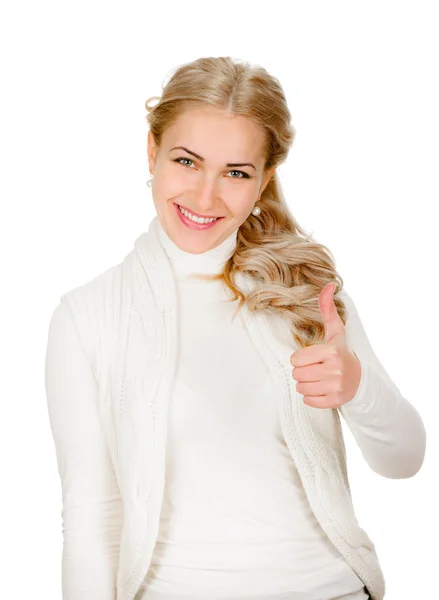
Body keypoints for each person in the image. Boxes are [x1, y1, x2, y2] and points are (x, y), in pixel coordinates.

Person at [45, 56, 426, 600]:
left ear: (264, 179)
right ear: (152, 151)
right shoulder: (87, 317)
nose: (205, 197)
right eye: (186, 161)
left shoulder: (307, 290)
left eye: (236, 173)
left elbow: (405, 460)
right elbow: (90, 521)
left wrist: (357, 388)